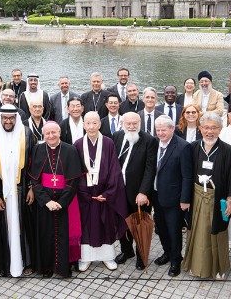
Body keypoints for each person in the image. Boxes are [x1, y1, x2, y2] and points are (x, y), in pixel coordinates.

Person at [0, 104, 37, 277]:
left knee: (25, 226)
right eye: (5, 118)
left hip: (22, 190)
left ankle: (26, 262)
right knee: (4, 227)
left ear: (16, 118)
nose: (8, 121)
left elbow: (32, 163)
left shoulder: (27, 133)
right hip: (3, 193)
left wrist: (31, 188)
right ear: (0, 118)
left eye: (11, 118)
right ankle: (5, 264)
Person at [182, 113, 231, 279]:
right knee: (196, 231)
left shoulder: (227, 149)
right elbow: (186, 174)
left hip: (217, 197)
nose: (209, 131)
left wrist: (230, 199)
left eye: (214, 128)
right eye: (206, 127)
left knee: (216, 231)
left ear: (220, 129)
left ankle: (217, 268)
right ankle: (195, 265)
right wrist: (185, 199)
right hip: (197, 196)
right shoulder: (192, 147)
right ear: (200, 129)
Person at [73, 112, 127, 272]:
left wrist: (108, 193)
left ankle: (107, 256)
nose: (91, 126)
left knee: (106, 225)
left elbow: (114, 170)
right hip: (86, 196)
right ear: (84, 125)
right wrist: (84, 192)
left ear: (99, 124)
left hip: (104, 194)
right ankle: (85, 257)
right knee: (86, 226)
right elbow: (75, 171)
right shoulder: (77, 144)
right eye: (88, 123)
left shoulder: (108, 143)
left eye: (94, 123)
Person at [28, 121, 84, 277]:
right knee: (45, 235)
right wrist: (47, 201)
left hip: (64, 202)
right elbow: (35, 180)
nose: (51, 136)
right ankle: (46, 268)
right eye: (47, 133)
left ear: (60, 133)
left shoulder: (70, 150)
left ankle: (62, 268)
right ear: (43, 135)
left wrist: (61, 202)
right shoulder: (38, 149)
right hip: (44, 203)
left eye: (54, 132)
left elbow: (73, 180)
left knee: (63, 235)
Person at [111, 112, 157, 270]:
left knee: (139, 225)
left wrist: (143, 192)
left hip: (138, 193)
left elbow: (150, 169)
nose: (131, 127)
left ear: (140, 123)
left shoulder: (149, 140)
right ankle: (127, 251)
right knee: (121, 223)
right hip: (119, 191)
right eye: (128, 124)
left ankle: (141, 255)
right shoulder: (116, 136)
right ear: (123, 123)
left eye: (134, 124)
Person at [151, 115, 193, 277]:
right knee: (161, 228)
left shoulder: (183, 147)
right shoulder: (154, 144)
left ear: (172, 129)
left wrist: (185, 199)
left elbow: (187, 176)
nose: (160, 133)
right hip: (156, 195)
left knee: (174, 230)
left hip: (174, 198)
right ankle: (167, 253)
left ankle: (176, 259)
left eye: (164, 130)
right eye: (158, 130)